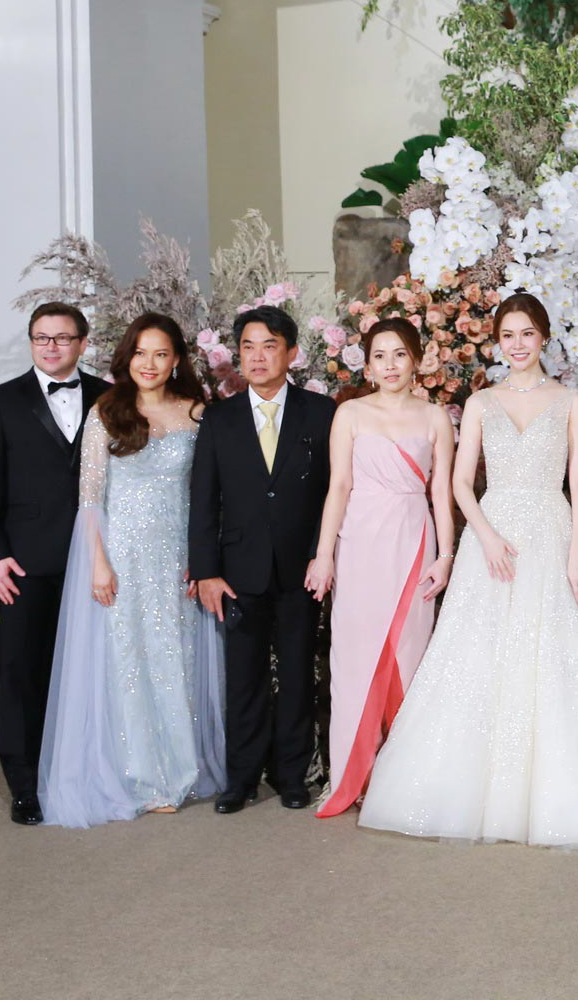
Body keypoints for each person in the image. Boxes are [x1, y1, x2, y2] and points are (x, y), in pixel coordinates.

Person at [359, 293, 578, 848]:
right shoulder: (481, 401)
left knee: (557, 658)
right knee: (478, 657)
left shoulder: (572, 400)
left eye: (527, 333)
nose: (518, 344)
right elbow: (460, 482)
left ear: (544, 337)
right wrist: (484, 536)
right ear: (496, 341)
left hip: (553, 532)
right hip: (495, 533)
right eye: (508, 335)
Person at [37, 313, 225, 826]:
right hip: (121, 557)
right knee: (129, 663)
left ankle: (180, 770)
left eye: (161, 353)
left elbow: (205, 495)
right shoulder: (107, 411)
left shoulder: (197, 412)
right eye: (141, 353)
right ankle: (138, 775)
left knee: (175, 658)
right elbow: (90, 497)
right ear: (128, 356)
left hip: (177, 556)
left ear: (177, 359)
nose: (150, 363)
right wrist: (98, 563)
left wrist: (202, 559)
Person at [0, 302, 111, 825]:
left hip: (99, 558)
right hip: (26, 562)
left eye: (62, 338)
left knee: (95, 670)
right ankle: (25, 785)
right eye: (41, 338)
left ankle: (88, 771)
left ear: (82, 342)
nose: (50, 347)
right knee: (24, 672)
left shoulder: (110, 397)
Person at [188, 305, 336, 814]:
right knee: (243, 676)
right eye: (248, 346)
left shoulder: (322, 414)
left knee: (297, 673)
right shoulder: (220, 417)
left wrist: (325, 555)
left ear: (291, 353)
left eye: (269, 346)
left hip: (301, 569)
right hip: (238, 570)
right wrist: (206, 569)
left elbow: (334, 495)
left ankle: (293, 775)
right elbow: (203, 500)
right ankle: (242, 778)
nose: (257, 356)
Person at [307, 318, 456, 818]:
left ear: (416, 359)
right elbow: (339, 487)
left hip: (413, 541)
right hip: (360, 544)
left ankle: (405, 775)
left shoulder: (435, 417)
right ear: (366, 365)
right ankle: (351, 774)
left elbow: (441, 492)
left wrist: (446, 555)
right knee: (353, 659)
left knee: (410, 656)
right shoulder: (349, 414)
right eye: (379, 356)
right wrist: (325, 554)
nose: (389, 365)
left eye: (399, 354)